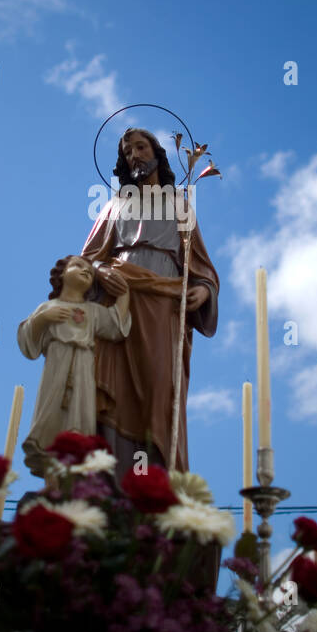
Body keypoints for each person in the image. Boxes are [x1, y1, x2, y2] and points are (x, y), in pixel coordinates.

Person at [82, 128, 219, 480]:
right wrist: (99, 271)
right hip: (118, 304)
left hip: (163, 310)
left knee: (160, 389)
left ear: (157, 153)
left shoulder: (179, 205)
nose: (134, 155)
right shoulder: (114, 207)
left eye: (141, 147)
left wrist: (204, 291)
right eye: (128, 152)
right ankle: (112, 481)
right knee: (115, 388)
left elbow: (201, 267)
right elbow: (87, 261)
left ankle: (156, 481)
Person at [17, 255, 131, 479]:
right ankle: (52, 480)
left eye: (90, 270)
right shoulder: (49, 307)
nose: (86, 271)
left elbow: (116, 325)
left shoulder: (92, 310)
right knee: (51, 414)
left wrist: (124, 293)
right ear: (61, 274)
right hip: (56, 365)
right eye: (78, 266)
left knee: (80, 416)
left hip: (83, 366)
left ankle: (73, 477)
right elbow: (27, 342)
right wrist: (42, 318)